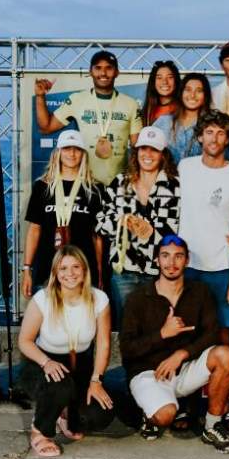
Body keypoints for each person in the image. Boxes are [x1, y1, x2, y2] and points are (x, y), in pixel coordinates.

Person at [119, 235, 229, 453]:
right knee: (165, 416)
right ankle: (149, 415)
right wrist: (163, 334)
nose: (171, 263)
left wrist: (182, 354)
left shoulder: (200, 292)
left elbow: (212, 334)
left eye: (178, 256)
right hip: (150, 373)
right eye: (165, 256)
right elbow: (127, 349)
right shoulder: (139, 298)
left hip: (185, 371)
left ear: (187, 260)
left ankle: (212, 426)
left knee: (224, 354)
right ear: (156, 260)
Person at [18, 246, 115, 457]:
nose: (69, 274)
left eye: (75, 267)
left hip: (80, 366)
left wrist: (96, 381)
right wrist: (46, 362)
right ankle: (40, 431)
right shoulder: (42, 299)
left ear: (84, 270)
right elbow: (24, 341)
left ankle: (64, 412)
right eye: (63, 268)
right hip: (42, 364)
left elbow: (104, 343)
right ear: (55, 272)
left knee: (100, 416)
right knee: (60, 386)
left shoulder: (99, 299)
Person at [178, 110, 229, 344]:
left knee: (222, 334)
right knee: (185, 332)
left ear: (228, 139)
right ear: (199, 136)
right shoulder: (184, 168)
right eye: (209, 132)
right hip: (186, 266)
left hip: (222, 268)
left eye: (220, 133)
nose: (214, 138)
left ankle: (223, 381)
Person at [96, 126, 180, 327]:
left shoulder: (175, 186)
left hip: (160, 272)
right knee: (128, 328)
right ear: (136, 152)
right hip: (124, 270)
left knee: (158, 327)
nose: (148, 155)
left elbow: (181, 229)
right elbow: (100, 223)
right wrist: (122, 221)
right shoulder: (119, 183)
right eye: (143, 149)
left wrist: (152, 234)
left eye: (154, 150)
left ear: (163, 154)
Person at [35, 50, 143, 185]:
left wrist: (135, 179)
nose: (103, 73)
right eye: (98, 68)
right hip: (85, 182)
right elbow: (46, 127)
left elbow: (138, 147)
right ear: (90, 71)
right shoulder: (77, 99)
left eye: (109, 68)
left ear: (117, 72)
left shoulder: (131, 104)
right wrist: (40, 96)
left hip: (119, 183)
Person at [22, 129, 104, 299]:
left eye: (77, 149)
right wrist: (27, 269)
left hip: (82, 272)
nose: (72, 154)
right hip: (48, 270)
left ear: (83, 154)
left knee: (83, 323)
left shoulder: (95, 189)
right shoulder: (42, 187)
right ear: (57, 153)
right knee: (47, 323)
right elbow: (34, 230)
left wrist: (100, 271)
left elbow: (97, 237)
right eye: (67, 149)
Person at [152, 72, 213, 162]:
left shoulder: (212, 125)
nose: (192, 95)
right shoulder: (163, 122)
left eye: (199, 91)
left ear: (205, 96)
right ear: (181, 93)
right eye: (188, 90)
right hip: (166, 175)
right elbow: (149, 152)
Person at [141, 60, 181, 125]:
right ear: (153, 82)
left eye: (170, 77)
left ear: (176, 80)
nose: (164, 82)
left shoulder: (183, 109)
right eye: (159, 78)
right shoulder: (147, 111)